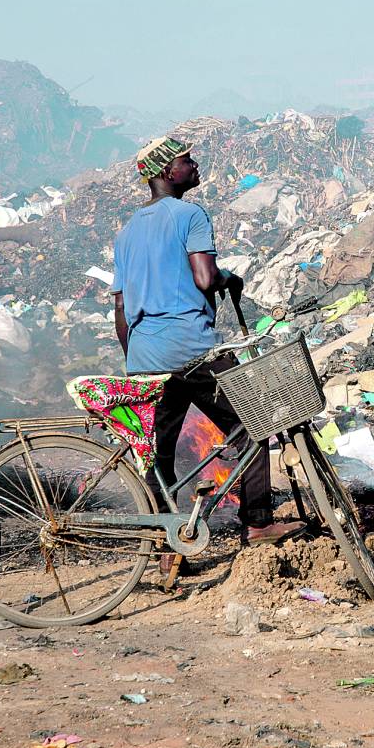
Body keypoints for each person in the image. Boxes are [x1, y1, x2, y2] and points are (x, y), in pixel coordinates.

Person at [110, 136, 303, 544]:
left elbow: (121, 313)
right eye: (187, 160)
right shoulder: (189, 215)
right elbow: (204, 278)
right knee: (253, 424)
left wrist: (140, 363)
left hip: (145, 356)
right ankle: (258, 523)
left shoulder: (125, 234)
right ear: (166, 172)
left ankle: (164, 540)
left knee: (158, 453)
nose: (195, 165)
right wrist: (229, 278)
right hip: (192, 347)